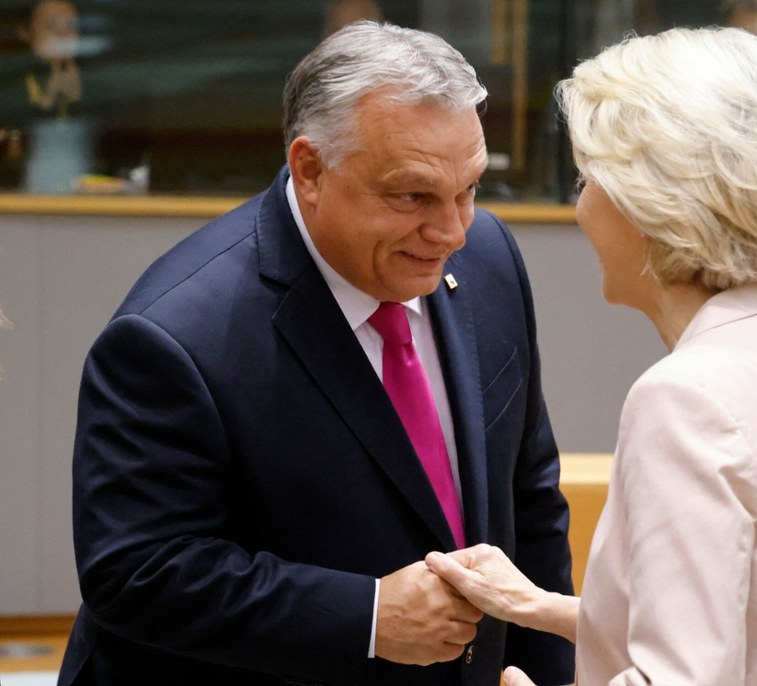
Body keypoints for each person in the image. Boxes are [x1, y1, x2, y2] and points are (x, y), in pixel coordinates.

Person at [58, 21, 575, 686]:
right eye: (411, 195)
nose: (449, 231)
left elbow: (528, 498)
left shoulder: (489, 259)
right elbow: (137, 572)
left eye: (469, 189)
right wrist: (365, 616)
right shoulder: (174, 336)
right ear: (309, 169)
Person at [427, 26, 757, 686]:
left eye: (589, 178)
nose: (580, 204)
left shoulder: (685, 399)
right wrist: (533, 605)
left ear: (647, 203)